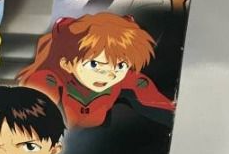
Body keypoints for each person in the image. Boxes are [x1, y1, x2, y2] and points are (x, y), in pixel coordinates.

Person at [17, 14, 174, 128]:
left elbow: (166, 110)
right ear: (67, 64)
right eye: (94, 64)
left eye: (120, 66)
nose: (109, 74)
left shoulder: (129, 80)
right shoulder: (45, 81)